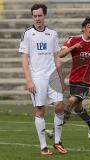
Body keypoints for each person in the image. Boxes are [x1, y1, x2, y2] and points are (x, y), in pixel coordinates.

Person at [19, 4, 67, 155]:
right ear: (32, 16)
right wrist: (29, 81)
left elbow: (57, 58)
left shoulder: (52, 34)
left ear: (44, 15)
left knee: (59, 106)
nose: (38, 18)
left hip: (53, 77)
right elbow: (24, 59)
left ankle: (58, 142)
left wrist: (62, 79)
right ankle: (43, 146)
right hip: (37, 77)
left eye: (40, 15)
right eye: (35, 16)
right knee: (40, 110)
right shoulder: (27, 34)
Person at [59, 17, 90, 139]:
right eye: (89, 27)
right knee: (77, 107)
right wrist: (73, 47)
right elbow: (60, 54)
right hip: (74, 78)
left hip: (87, 80)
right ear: (83, 28)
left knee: (71, 102)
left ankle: (56, 129)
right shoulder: (73, 40)